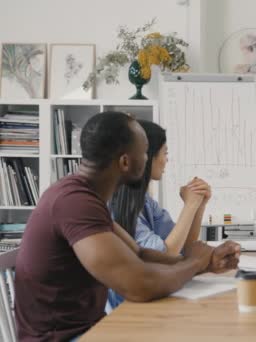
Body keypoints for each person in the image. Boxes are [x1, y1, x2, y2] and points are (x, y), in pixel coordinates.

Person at [15, 112, 241, 341]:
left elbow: (139, 253)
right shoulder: (74, 202)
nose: (148, 158)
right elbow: (139, 286)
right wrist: (194, 262)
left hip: (90, 329)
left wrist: (205, 263)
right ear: (125, 162)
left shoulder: (84, 197)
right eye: (144, 152)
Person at [106, 120, 210, 309]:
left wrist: (198, 205)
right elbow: (166, 252)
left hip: (150, 296)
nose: (166, 160)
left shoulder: (146, 202)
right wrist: (189, 206)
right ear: (147, 157)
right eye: (165, 153)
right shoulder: (116, 205)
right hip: (126, 307)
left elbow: (184, 246)